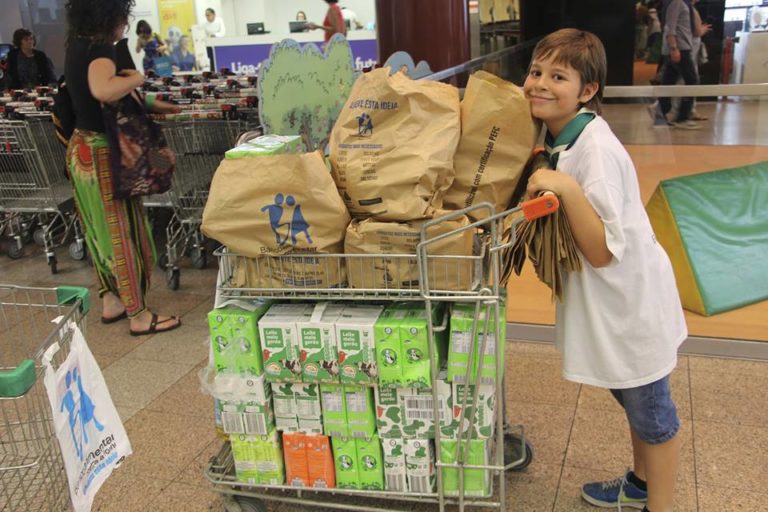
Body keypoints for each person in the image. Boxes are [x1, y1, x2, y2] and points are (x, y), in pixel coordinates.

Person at [522, 29, 686, 512]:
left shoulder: (594, 149)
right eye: (536, 72)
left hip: (632, 309)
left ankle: (661, 504)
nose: (540, 85)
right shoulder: (561, 138)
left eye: (558, 76)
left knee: (655, 417)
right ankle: (639, 485)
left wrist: (565, 190)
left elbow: (601, 252)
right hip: (612, 309)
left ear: (587, 90)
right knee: (632, 402)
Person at [64, 0, 182, 336]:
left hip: (81, 150)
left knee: (98, 230)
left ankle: (111, 300)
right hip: (105, 154)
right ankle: (139, 314)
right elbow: (102, 90)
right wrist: (138, 77)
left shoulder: (77, 44)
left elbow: (90, 96)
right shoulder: (101, 48)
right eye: (124, 17)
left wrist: (150, 102)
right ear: (111, 15)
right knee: (124, 233)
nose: (125, 25)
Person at [657, 0, 700, 129]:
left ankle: (661, 113)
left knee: (668, 81)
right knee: (692, 81)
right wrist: (674, 48)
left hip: (680, 47)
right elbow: (670, 27)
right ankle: (682, 117)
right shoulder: (676, 3)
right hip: (680, 49)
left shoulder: (681, 4)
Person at [204, 8, 225, 72]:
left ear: (214, 15)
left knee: (220, 60)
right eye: (206, 15)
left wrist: (215, 35)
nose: (207, 17)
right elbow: (203, 34)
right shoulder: (204, 23)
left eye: (208, 15)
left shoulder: (219, 20)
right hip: (209, 45)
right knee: (211, 60)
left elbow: (223, 32)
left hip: (219, 44)